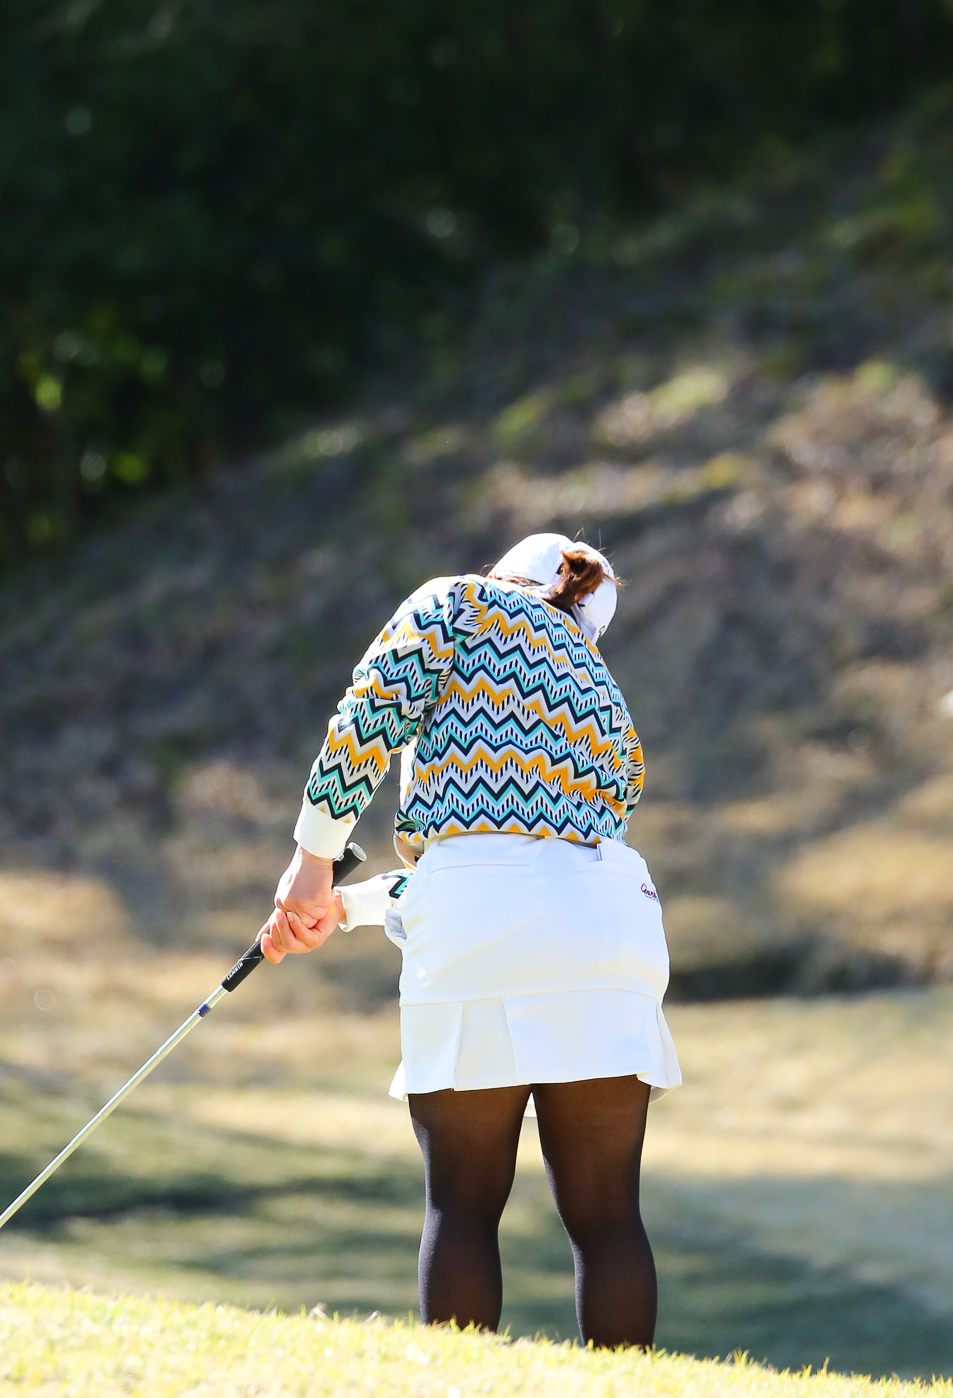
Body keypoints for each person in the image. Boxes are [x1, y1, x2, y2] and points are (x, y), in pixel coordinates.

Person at [257, 531, 680, 1349]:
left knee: (462, 1200)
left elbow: (368, 720)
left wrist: (311, 863)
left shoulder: (455, 602)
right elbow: (533, 866)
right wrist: (342, 908)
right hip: (613, 922)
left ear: (506, 573)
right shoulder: (604, 695)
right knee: (606, 1215)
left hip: (478, 923)